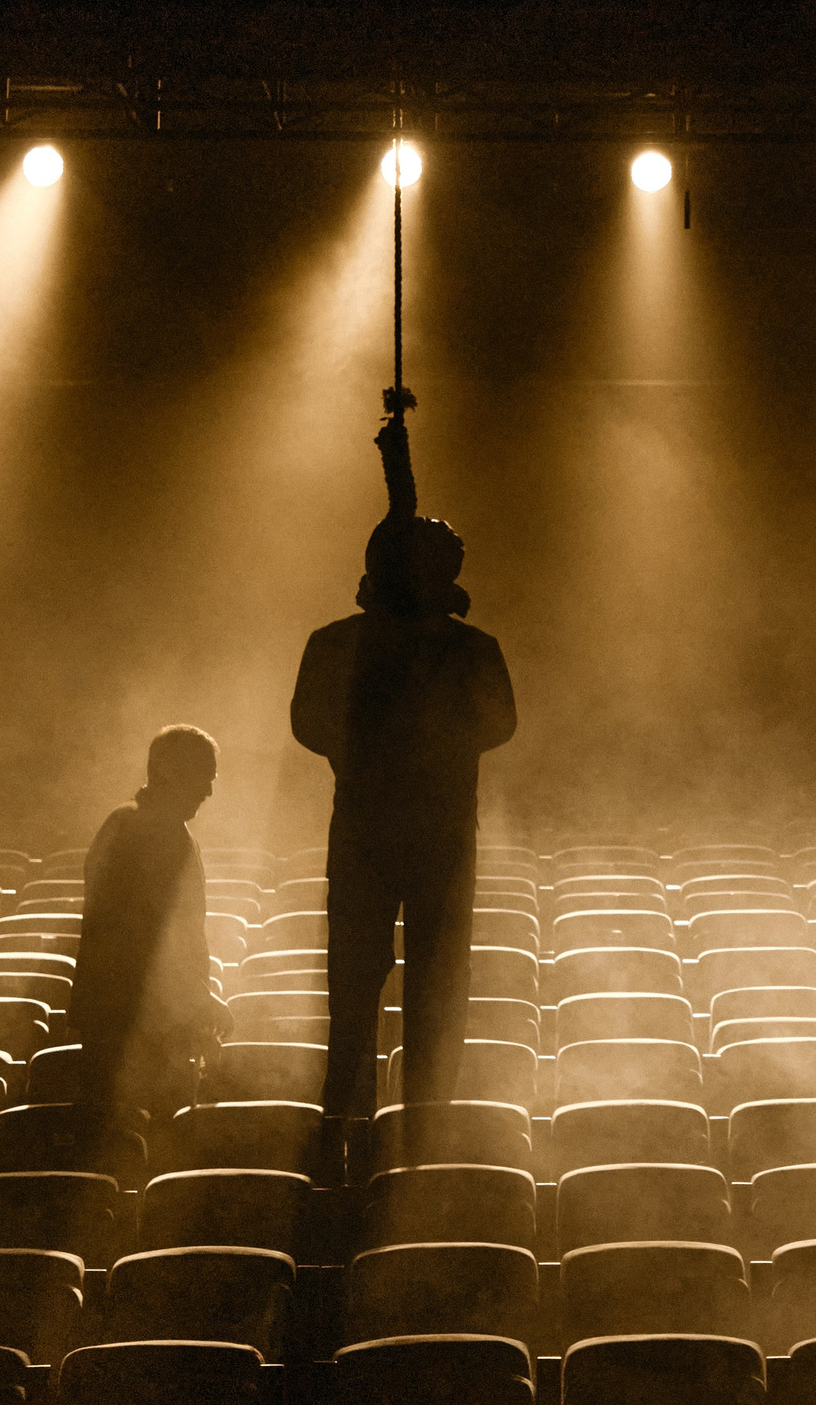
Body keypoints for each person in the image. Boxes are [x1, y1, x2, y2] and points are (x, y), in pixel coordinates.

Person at [293, 416, 516, 1129]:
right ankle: (366, 1116)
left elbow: (498, 721)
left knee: (413, 982)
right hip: (406, 831)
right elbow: (310, 721)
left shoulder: (359, 645)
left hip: (400, 829)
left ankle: (410, 1117)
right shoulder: (454, 648)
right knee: (376, 981)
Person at [67, 723, 227, 1122]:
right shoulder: (152, 832)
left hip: (124, 1021)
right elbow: (152, 938)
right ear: (170, 771)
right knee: (143, 1135)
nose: (208, 790)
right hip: (139, 1028)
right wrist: (199, 1001)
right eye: (203, 776)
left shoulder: (130, 824)